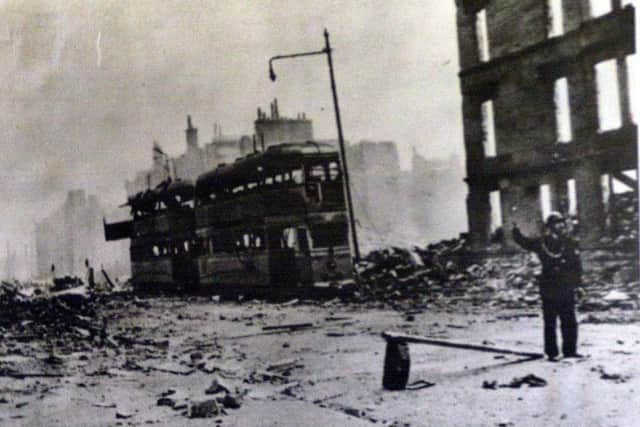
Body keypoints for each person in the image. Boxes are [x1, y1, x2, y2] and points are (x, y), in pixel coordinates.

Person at [512, 212, 584, 361]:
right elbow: (524, 242)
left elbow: (576, 267)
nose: (561, 225)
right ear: (550, 227)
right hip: (549, 286)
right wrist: (515, 230)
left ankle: (570, 351)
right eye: (557, 223)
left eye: (562, 223)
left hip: (566, 285)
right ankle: (552, 352)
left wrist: (578, 285)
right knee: (550, 320)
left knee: (569, 319)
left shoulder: (569, 243)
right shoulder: (541, 243)